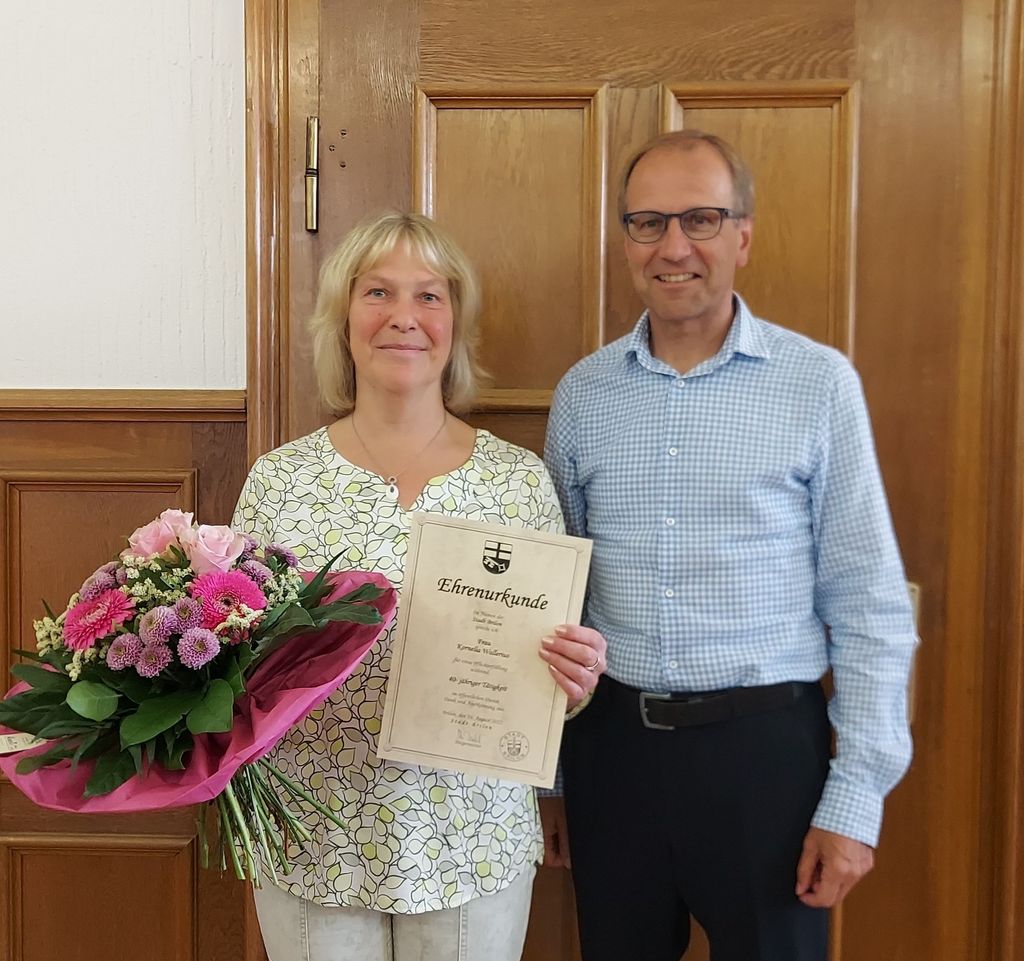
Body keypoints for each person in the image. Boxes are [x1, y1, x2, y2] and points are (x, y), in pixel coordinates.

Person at [542, 131, 917, 961]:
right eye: (648, 222)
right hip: (613, 756)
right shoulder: (582, 395)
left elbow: (870, 605)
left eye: (701, 218)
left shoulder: (818, 385)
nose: (674, 245)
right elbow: (554, 600)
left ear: (742, 235)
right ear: (626, 240)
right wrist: (556, 776)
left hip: (769, 765)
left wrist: (854, 800)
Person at [232, 212, 606, 961]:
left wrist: (577, 679)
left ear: (455, 323)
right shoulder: (279, 480)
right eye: (378, 291)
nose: (404, 316)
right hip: (315, 834)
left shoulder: (517, 480)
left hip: (472, 837)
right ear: (343, 319)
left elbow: (555, 683)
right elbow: (233, 659)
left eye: (429, 296)